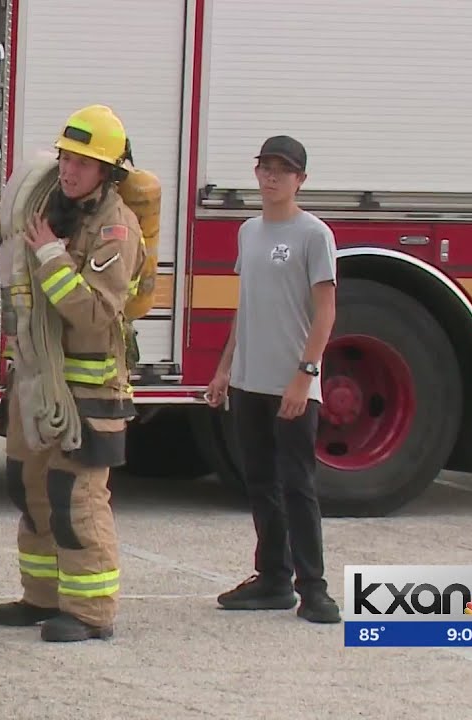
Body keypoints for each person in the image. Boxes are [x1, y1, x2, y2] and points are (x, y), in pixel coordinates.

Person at [0, 105, 145, 642]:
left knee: (77, 500)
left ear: (108, 173)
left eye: (83, 163)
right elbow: (11, 224)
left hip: (88, 388)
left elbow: (95, 315)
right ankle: (43, 597)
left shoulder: (116, 228)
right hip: (38, 384)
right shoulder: (55, 207)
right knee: (31, 489)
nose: (69, 170)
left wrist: (49, 255)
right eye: (67, 158)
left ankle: (91, 611)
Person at [205, 135, 341, 624]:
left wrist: (305, 376)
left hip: (292, 383)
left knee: (297, 484)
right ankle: (273, 578)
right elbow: (247, 307)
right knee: (260, 481)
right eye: (266, 166)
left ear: (300, 179)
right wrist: (224, 369)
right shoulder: (249, 232)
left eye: (284, 169)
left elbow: (325, 312)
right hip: (249, 381)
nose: (272, 176)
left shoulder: (313, 235)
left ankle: (315, 587)